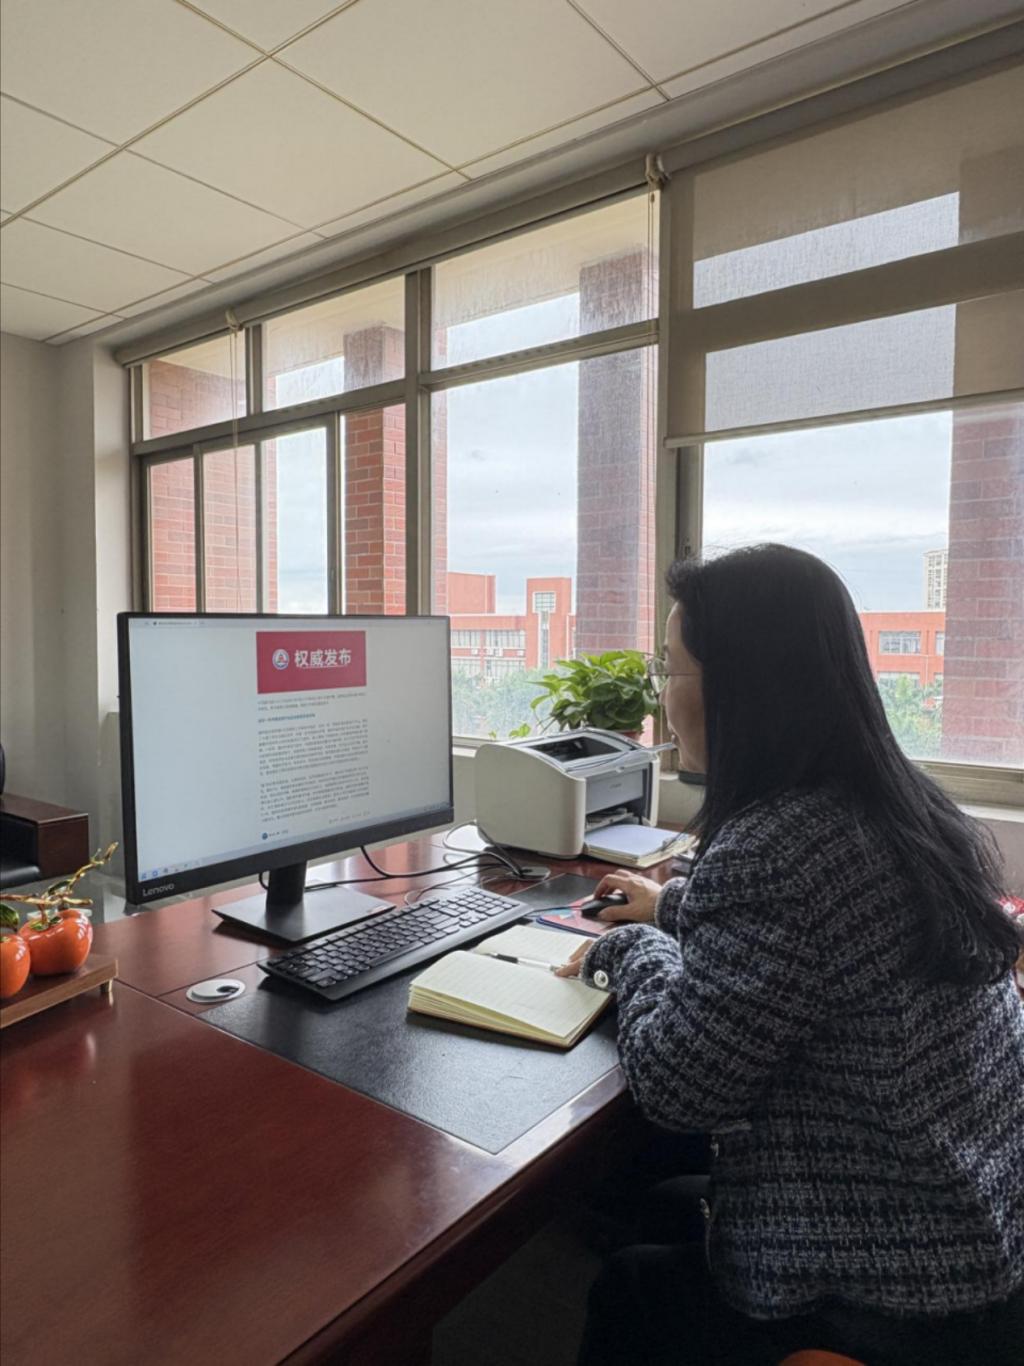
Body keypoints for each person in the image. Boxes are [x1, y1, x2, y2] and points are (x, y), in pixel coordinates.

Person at [556, 544, 1024, 1366]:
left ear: (739, 689)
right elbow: (823, 936)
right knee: (658, 1197)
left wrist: (629, 948)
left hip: (894, 1297)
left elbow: (678, 1086)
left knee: (630, 1280)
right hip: (974, 1229)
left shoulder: (775, 849)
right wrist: (672, 903)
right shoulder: (909, 809)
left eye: (671, 668)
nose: (663, 696)